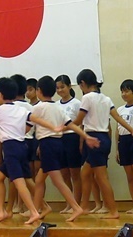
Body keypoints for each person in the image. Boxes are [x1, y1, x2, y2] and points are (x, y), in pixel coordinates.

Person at [0, 77, 65, 225]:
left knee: (19, 182)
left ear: (0, 95)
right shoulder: (21, 109)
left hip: (11, 149)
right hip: (22, 147)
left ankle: (34, 211)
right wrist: (53, 127)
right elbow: (36, 119)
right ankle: (1, 210)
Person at [71, 69, 133, 218]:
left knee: (101, 178)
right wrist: (132, 130)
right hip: (104, 139)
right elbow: (118, 118)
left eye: (80, 86)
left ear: (83, 83)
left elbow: (78, 120)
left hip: (94, 139)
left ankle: (113, 211)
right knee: (85, 173)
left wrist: (63, 125)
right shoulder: (106, 98)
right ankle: (83, 207)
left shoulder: (87, 97)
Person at [30, 75, 96, 222]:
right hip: (56, 144)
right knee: (39, 180)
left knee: (57, 180)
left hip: (48, 145)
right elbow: (71, 124)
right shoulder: (57, 107)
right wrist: (86, 136)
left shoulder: (38, 107)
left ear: (39, 91)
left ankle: (76, 207)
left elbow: (28, 125)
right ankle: (37, 210)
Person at [116, 79, 133, 213]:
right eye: (122, 91)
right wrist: (117, 148)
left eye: (126, 91)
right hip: (123, 142)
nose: (124, 94)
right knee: (130, 177)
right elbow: (118, 130)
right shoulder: (119, 110)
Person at [56, 75, 83, 211]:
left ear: (69, 87)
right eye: (57, 88)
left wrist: (81, 142)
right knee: (64, 174)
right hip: (60, 139)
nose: (60, 90)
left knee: (75, 174)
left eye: (62, 87)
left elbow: (81, 124)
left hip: (73, 138)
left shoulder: (77, 103)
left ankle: (76, 204)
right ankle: (69, 203)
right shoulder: (55, 105)